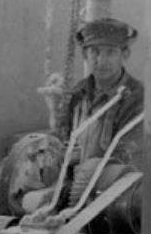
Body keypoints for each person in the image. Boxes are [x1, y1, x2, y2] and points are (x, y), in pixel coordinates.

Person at [59, 17, 145, 166]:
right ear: (85, 55)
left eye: (110, 52)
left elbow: (129, 159)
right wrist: (55, 111)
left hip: (114, 179)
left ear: (124, 55)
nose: (101, 60)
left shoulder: (137, 98)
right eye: (95, 52)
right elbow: (65, 141)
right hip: (79, 179)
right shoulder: (79, 93)